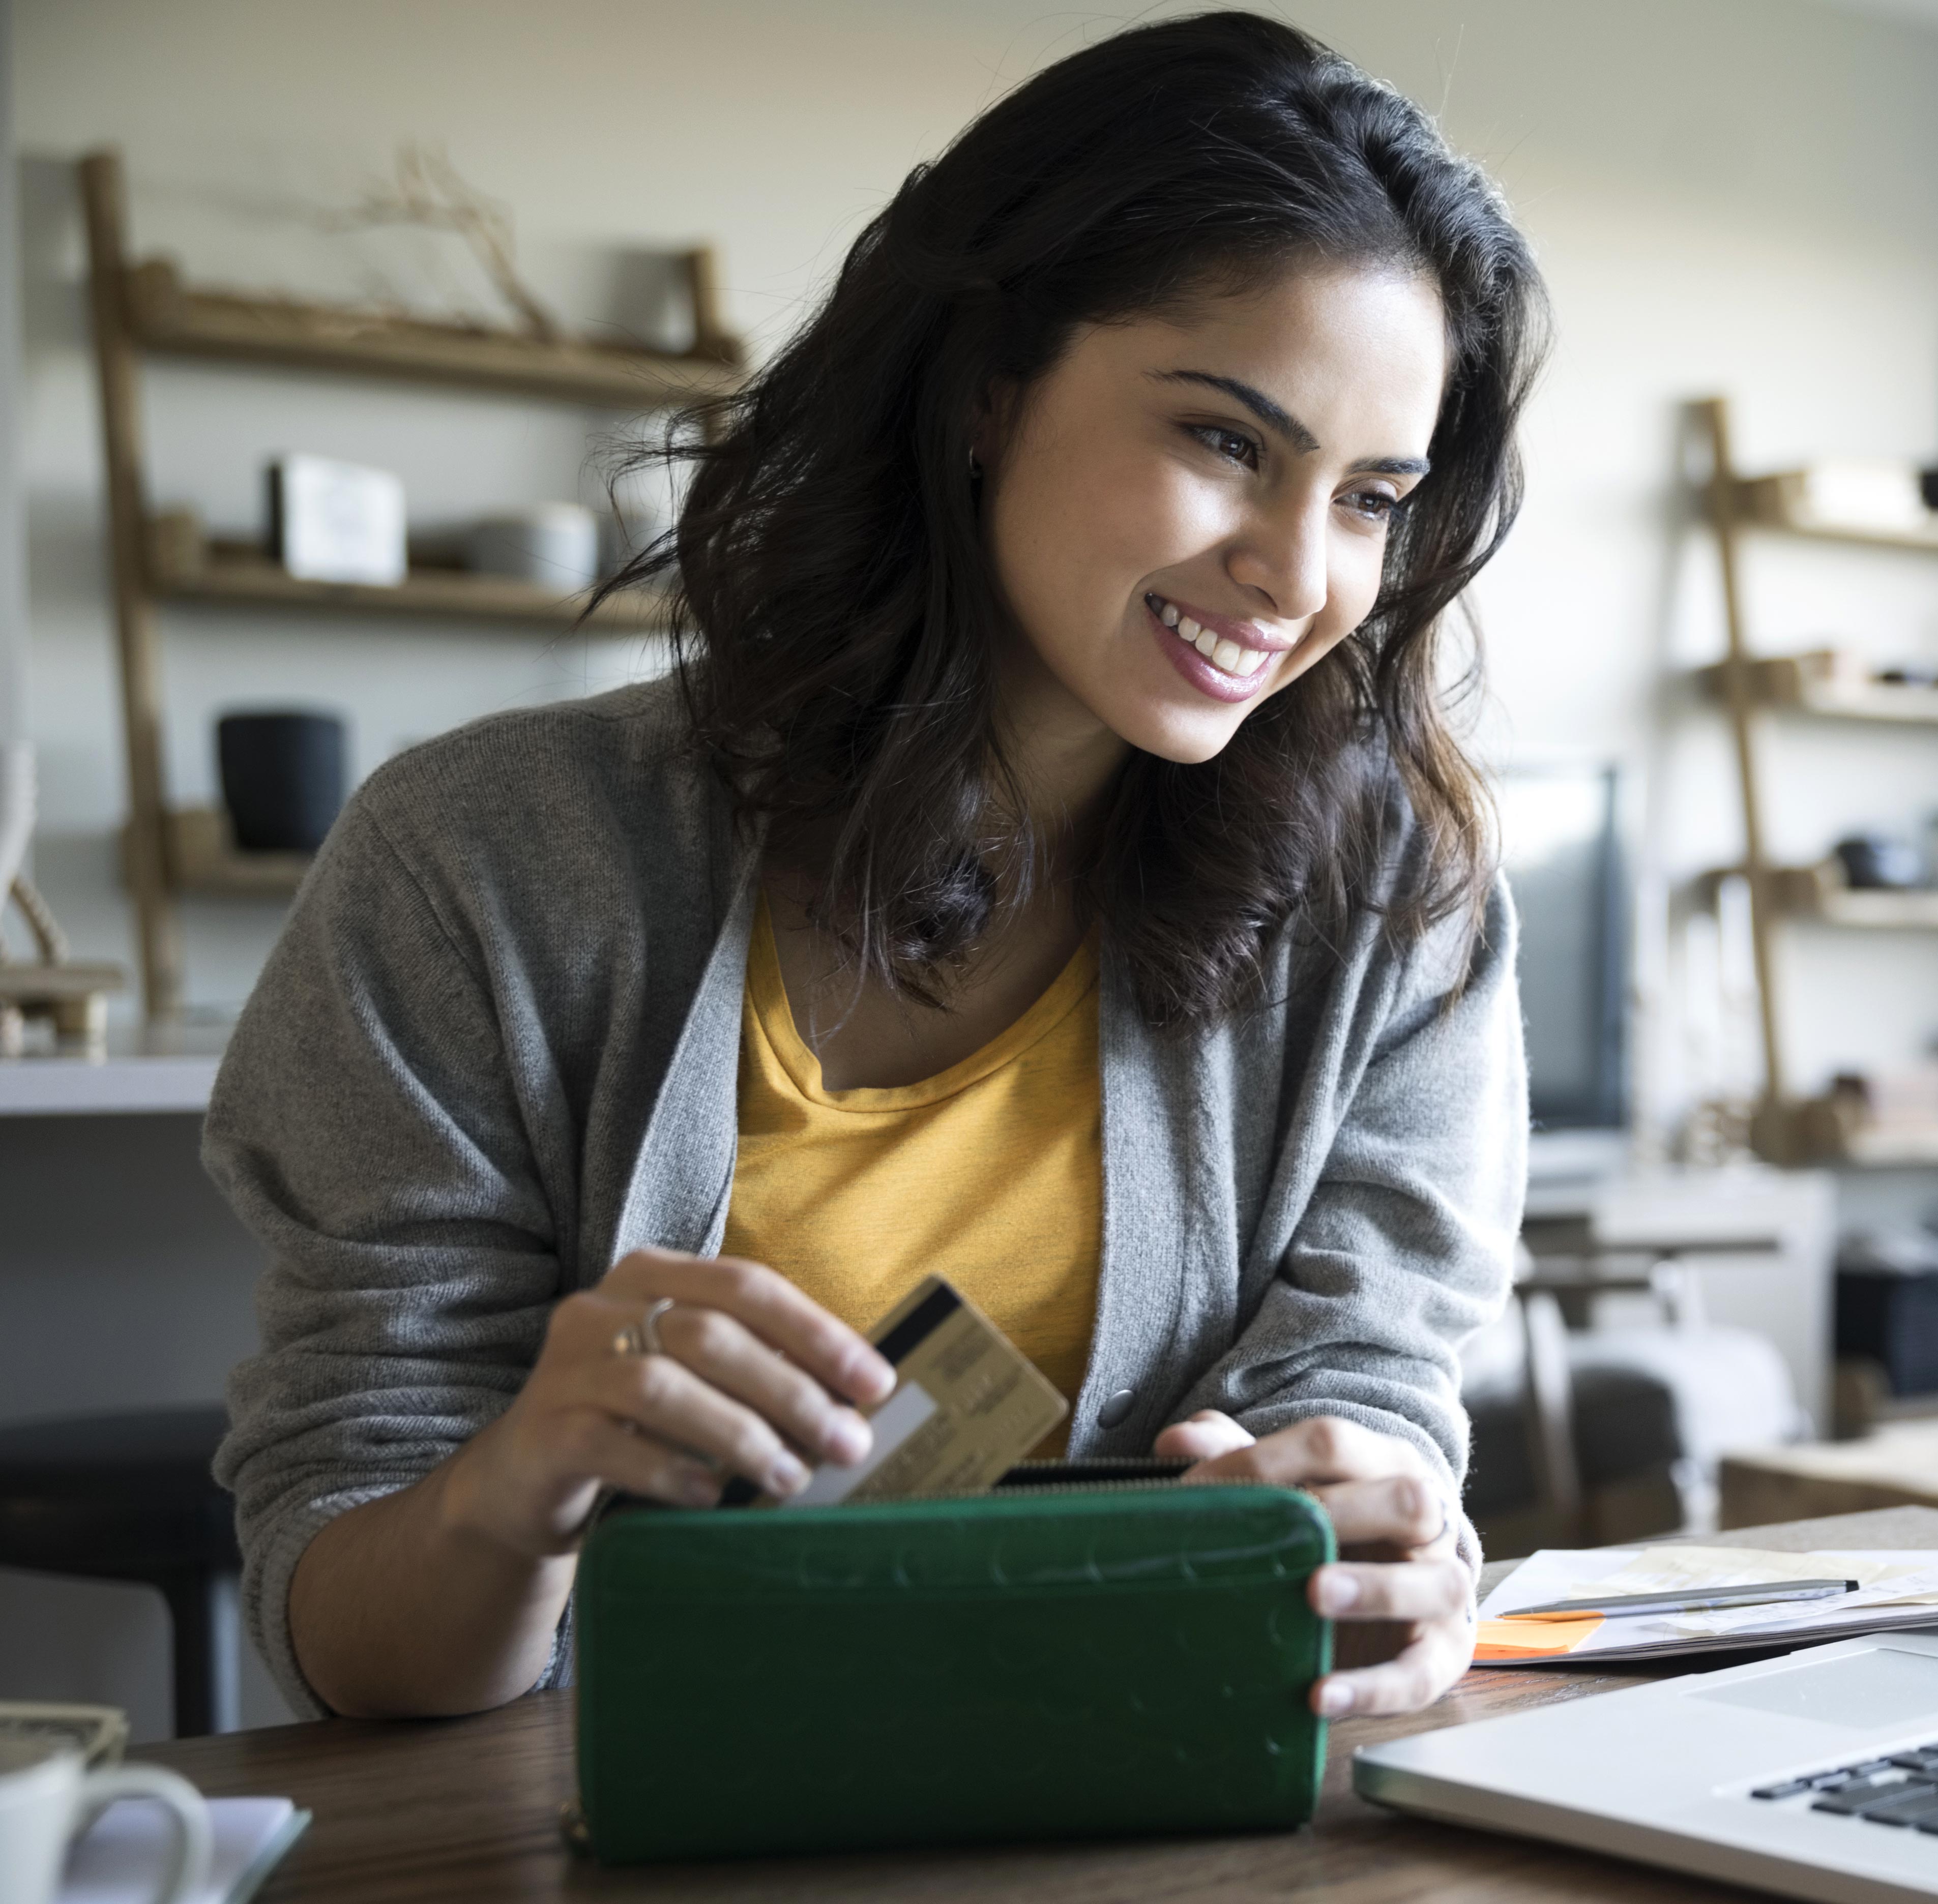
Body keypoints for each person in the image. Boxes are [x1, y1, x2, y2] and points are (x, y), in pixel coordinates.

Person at [206, 10, 1544, 1726]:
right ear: (989, 382)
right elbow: (350, 1630)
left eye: (1371, 498)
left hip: (1153, 1807)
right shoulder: (481, 863)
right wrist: (511, 1483)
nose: (1295, 570)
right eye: (1226, 441)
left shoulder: (1395, 910)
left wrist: (1388, 1556)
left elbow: (1370, 1420)